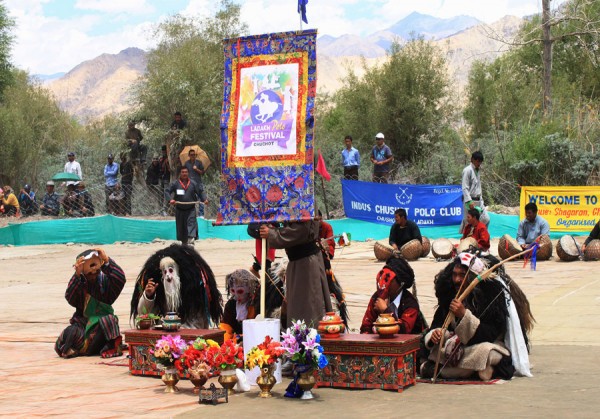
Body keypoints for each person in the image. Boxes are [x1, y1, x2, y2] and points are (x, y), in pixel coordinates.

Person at [420, 253, 534, 380]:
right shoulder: (449, 295)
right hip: (457, 349)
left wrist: (464, 315)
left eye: (462, 275)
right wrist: (436, 334)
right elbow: (437, 325)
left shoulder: (490, 296)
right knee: (438, 351)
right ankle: (476, 371)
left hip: (483, 345)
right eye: (455, 274)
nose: (457, 280)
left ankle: (437, 370)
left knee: (485, 351)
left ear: (472, 277)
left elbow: (490, 334)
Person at [55, 248, 126, 359]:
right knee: (71, 331)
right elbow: (70, 297)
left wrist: (106, 260)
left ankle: (110, 347)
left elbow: (120, 279)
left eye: (96, 271)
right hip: (83, 327)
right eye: (89, 273)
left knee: (109, 320)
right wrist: (77, 276)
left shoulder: (105, 282)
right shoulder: (80, 283)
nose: (93, 274)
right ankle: (71, 349)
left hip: (101, 331)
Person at [260, 220, 333, 327]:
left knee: (309, 309)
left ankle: (308, 341)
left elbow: (302, 231)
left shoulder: (306, 206)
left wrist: (272, 233)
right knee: (296, 306)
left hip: (306, 264)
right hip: (297, 262)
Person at [130, 244, 222, 329]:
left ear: (178, 272)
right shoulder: (160, 292)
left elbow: (198, 324)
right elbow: (144, 316)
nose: (168, 276)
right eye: (165, 272)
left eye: (171, 271)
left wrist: (175, 334)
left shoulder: (193, 293)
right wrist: (148, 296)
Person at [360, 257, 425, 334]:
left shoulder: (410, 303)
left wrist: (386, 312)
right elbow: (365, 326)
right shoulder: (376, 297)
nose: (384, 284)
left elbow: (404, 330)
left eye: (388, 281)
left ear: (401, 284)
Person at [218, 268, 284, 342]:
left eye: (240, 291)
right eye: (233, 291)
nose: (236, 295)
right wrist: (227, 342)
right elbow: (226, 327)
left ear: (249, 289)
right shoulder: (231, 304)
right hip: (235, 342)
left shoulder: (257, 304)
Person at [167, 167, 207, 245]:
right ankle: (184, 242)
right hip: (179, 208)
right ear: (180, 174)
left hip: (191, 208)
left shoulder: (193, 183)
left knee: (191, 222)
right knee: (181, 226)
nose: (184, 174)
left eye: (186, 172)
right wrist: (170, 200)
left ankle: (191, 238)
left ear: (188, 173)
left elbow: (200, 191)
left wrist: (204, 199)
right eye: (183, 172)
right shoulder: (175, 183)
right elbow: (167, 191)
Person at [460, 151, 486, 234]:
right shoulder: (467, 170)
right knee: (469, 222)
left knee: (485, 219)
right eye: (477, 161)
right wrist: (469, 201)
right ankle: (466, 241)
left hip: (479, 200)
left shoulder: (477, 171)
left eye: (480, 161)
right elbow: (464, 187)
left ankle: (481, 237)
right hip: (470, 201)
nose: (479, 163)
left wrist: (481, 200)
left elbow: (478, 187)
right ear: (472, 160)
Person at [184, 149, 208, 218]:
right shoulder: (186, 163)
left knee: (201, 198)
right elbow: (185, 173)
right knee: (190, 198)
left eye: (194, 155)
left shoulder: (199, 163)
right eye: (191, 155)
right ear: (189, 155)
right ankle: (191, 213)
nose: (193, 156)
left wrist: (196, 169)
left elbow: (202, 173)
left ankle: (201, 214)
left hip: (198, 183)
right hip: (190, 184)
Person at [159, 145, 171, 216]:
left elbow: (170, 170)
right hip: (162, 179)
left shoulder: (168, 159)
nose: (163, 152)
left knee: (166, 194)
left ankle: (165, 209)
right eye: (163, 151)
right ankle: (162, 210)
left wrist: (167, 164)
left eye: (164, 151)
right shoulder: (161, 159)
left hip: (167, 178)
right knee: (161, 195)